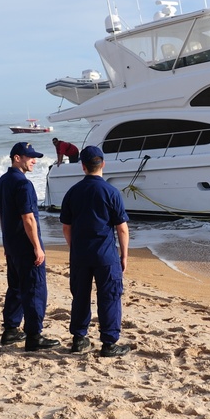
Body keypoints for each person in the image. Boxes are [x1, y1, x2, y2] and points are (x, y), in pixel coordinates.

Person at [60, 145, 130, 357]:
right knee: (109, 296)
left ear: (83, 166)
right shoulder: (111, 192)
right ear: (103, 164)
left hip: (81, 253)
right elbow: (122, 228)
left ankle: (79, 339)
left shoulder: (72, 192)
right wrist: (124, 255)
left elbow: (66, 227)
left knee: (80, 296)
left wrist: (74, 248)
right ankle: (109, 343)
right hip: (105, 254)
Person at [0, 142, 58, 352]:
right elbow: (28, 218)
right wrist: (37, 246)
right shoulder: (23, 184)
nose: (34, 161)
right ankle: (34, 335)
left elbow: (2, 215)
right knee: (34, 289)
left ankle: (11, 330)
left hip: (12, 244)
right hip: (25, 245)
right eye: (30, 157)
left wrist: (6, 241)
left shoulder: (3, 181)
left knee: (15, 287)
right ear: (17, 158)